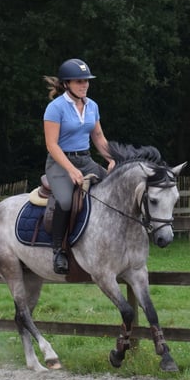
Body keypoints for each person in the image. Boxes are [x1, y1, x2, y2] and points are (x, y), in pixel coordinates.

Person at [43, 58, 115, 274]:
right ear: (66, 84)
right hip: (59, 162)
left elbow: (99, 137)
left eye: (86, 81)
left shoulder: (92, 105)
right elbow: (51, 144)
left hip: (86, 160)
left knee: (114, 191)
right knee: (65, 201)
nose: (84, 85)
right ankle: (59, 251)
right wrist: (71, 170)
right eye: (79, 81)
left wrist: (111, 159)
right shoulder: (55, 108)